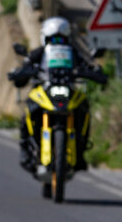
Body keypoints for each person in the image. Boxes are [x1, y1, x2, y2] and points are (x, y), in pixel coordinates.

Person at [8, 16, 105, 172]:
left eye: (61, 38)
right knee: (28, 111)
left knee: (84, 108)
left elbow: (86, 65)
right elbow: (26, 66)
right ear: (45, 38)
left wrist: (94, 71)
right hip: (45, 89)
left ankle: (80, 151)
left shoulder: (74, 53)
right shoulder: (39, 53)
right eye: (53, 39)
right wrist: (20, 72)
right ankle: (25, 149)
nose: (57, 42)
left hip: (67, 90)